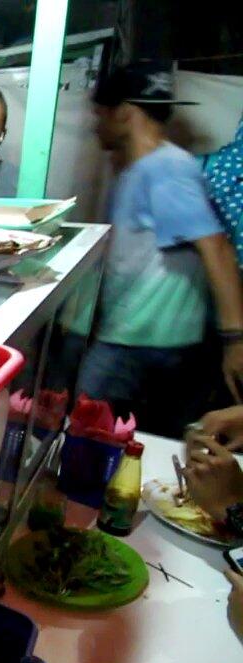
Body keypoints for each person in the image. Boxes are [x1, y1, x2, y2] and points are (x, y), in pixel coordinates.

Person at [77, 62, 243, 435]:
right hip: (135, 334)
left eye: (100, 114)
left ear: (123, 112)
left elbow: (216, 248)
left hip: (146, 342)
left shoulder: (165, 169)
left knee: (84, 431)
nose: (95, 125)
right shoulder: (142, 169)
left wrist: (236, 340)